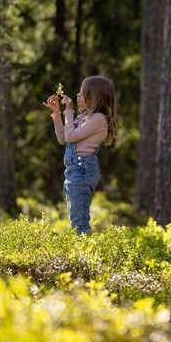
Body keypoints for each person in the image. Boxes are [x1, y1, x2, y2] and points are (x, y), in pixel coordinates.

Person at [42, 76, 117, 234]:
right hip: (74, 169)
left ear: (94, 97)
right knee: (75, 219)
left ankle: (85, 256)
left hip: (82, 170)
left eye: (82, 93)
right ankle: (82, 254)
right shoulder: (83, 117)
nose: (77, 95)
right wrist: (57, 115)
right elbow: (63, 139)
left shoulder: (99, 119)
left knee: (79, 223)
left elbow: (70, 137)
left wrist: (69, 110)